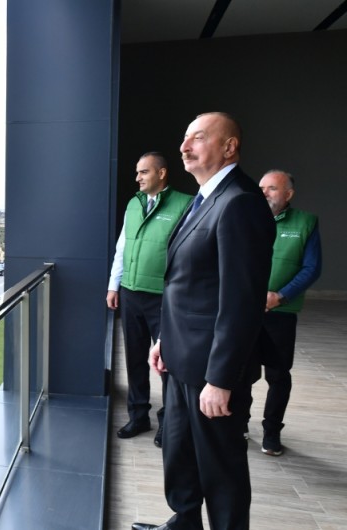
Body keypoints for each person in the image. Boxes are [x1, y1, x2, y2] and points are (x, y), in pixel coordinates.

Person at [132, 112, 275, 530]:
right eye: (184, 139)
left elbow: (241, 302)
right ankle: (185, 522)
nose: (183, 147)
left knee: (221, 468)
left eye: (197, 138)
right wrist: (165, 340)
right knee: (179, 453)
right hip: (182, 358)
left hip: (211, 370)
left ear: (229, 147)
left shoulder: (240, 202)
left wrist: (221, 379)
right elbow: (189, 285)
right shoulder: (206, 198)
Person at [107, 152, 192, 447]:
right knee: (134, 359)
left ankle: (169, 422)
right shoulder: (134, 203)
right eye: (137, 172)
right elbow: (123, 246)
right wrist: (114, 285)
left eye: (144, 172)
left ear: (162, 173)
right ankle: (138, 416)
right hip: (130, 293)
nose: (138, 178)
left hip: (164, 297)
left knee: (167, 362)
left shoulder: (185, 204)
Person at [251, 169, 322, 456]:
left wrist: (279, 297)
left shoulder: (306, 222)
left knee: (278, 375)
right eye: (261, 187)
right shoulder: (247, 218)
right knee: (240, 371)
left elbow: (312, 268)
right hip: (245, 310)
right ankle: (238, 424)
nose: (264, 193)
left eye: (272, 188)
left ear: (288, 194)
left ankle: (271, 432)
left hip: (281, 312)